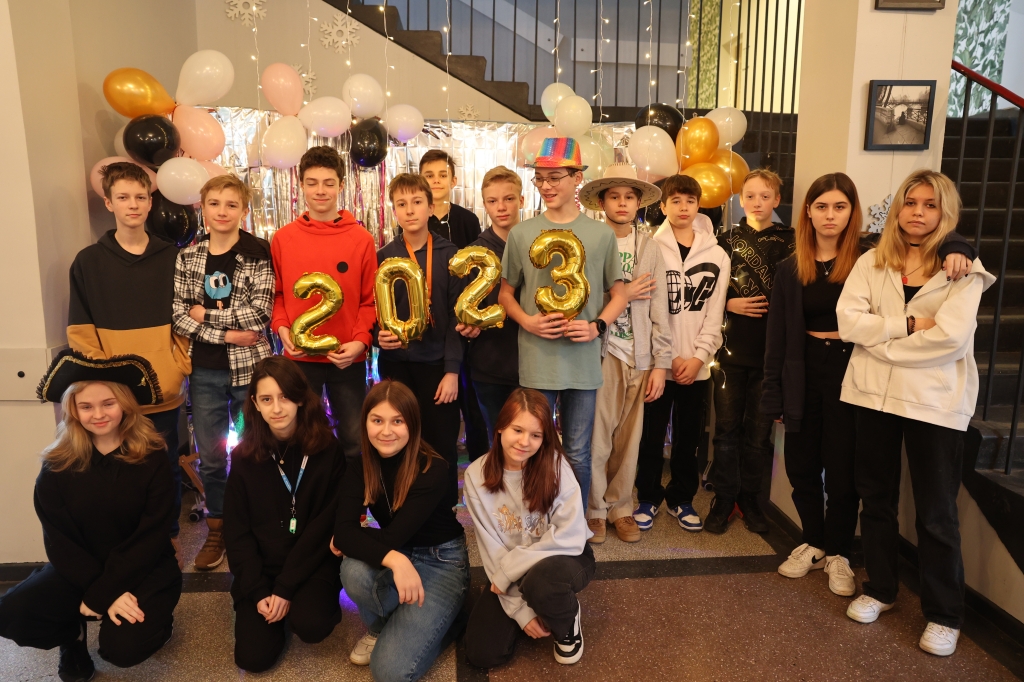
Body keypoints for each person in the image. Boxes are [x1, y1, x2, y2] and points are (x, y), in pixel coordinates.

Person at [761, 173, 975, 597]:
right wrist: (774, 392)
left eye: (840, 207)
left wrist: (959, 246)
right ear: (807, 212)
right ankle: (814, 541)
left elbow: (934, 239)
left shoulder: (870, 257)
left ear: (852, 213)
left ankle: (839, 551)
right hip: (804, 369)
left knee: (844, 471)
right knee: (801, 465)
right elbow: (778, 334)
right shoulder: (791, 267)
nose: (830, 215)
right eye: (822, 206)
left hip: (854, 368)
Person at [837, 170, 993, 657]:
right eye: (910, 202)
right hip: (872, 396)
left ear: (945, 212)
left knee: (936, 512)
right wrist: (907, 326)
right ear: (898, 209)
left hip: (933, 402)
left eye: (929, 204)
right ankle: (881, 589)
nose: (918, 212)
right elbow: (848, 322)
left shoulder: (964, 270)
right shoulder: (871, 261)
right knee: (875, 499)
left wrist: (881, 340)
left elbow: (950, 338)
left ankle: (945, 615)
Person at [0, 352, 181, 681]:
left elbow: (151, 535)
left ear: (124, 403)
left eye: (108, 403)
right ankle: (72, 636)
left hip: (144, 566)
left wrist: (102, 594)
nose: (98, 414)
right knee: (12, 613)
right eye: (86, 406)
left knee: (122, 649)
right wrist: (100, 592)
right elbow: (59, 540)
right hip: (79, 568)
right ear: (73, 410)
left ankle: (161, 623)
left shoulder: (152, 456)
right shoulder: (57, 465)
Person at [68, 161, 192, 560]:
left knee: (164, 465)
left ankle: (167, 536)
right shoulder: (88, 262)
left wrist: (176, 366)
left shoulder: (173, 258)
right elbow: (80, 331)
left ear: (151, 201)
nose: (133, 205)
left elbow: (186, 323)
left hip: (163, 389)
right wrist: (105, 381)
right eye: (123, 197)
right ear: (109, 203)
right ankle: (123, 541)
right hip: (112, 395)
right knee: (116, 468)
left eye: (140, 197)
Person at [498, 138, 628, 507]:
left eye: (554, 177)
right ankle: (534, 519)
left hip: (583, 363)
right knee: (531, 448)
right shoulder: (522, 233)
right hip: (537, 360)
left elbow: (618, 294)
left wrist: (596, 326)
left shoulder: (601, 234)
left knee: (578, 452)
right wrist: (528, 322)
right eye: (540, 178)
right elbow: (505, 294)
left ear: (577, 178)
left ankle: (575, 525)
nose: (546, 186)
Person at [332, 380, 469, 681]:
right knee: (352, 569)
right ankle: (383, 627)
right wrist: (395, 559)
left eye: (397, 421)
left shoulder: (433, 468)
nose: (386, 431)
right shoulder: (359, 466)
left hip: (441, 561)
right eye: (377, 420)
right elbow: (344, 532)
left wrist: (354, 536)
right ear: (365, 422)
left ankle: (450, 621)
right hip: (398, 551)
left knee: (389, 672)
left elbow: (367, 535)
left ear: (413, 424)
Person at [172, 174, 274, 570]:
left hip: (251, 372)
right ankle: (218, 525)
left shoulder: (257, 253)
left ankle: (258, 522)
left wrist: (207, 315)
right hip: (205, 373)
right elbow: (180, 316)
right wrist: (229, 333)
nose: (222, 211)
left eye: (232, 205)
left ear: (244, 210)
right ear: (202, 208)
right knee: (213, 458)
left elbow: (259, 314)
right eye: (214, 203)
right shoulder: (188, 258)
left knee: (257, 450)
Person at [223, 356, 345, 673]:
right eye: (267, 399)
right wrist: (258, 590)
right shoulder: (243, 458)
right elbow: (236, 533)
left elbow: (325, 525)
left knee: (312, 625)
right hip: (262, 567)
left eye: (285, 397)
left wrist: (286, 587)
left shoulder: (327, 449)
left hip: (311, 562)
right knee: (252, 659)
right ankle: (274, 610)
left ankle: (297, 605)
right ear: (255, 404)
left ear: (301, 398)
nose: (277, 408)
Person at [463, 388, 595, 668]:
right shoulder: (475, 475)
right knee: (482, 653)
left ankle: (567, 619)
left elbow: (571, 536)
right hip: (511, 569)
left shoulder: (556, 466)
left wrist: (509, 572)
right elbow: (491, 549)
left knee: (541, 584)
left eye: (536, 435)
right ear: (500, 427)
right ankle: (538, 603)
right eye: (517, 430)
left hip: (565, 556)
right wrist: (520, 612)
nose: (525, 442)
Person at [574, 163, 670, 544]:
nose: (622, 203)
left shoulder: (649, 247)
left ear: (639, 203)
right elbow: (581, 297)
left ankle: (621, 506)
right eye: (614, 196)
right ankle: (594, 509)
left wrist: (660, 363)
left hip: (639, 356)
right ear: (602, 202)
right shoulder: (591, 241)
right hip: (604, 351)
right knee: (598, 438)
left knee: (631, 440)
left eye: (629, 197)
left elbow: (660, 308)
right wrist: (622, 294)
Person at [633, 174, 731, 534]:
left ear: (699, 205)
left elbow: (715, 313)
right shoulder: (650, 248)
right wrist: (668, 356)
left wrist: (699, 357)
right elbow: (646, 308)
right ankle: (647, 497)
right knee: (651, 436)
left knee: (689, 439)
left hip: (696, 366)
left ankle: (681, 499)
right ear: (662, 206)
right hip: (658, 365)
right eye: (675, 200)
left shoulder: (717, 255)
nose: (683, 207)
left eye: (690, 200)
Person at [271, 145, 378, 460]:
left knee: (354, 441)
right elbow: (277, 295)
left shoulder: (361, 240)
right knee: (299, 439)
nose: (321, 190)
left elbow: (370, 301)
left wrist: (360, 342)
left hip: (347, 359)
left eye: (329, 183)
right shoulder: (283, 239)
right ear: (301, 185)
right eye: (313, 182)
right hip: (300, 359)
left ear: (341, 186)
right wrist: (282, 329)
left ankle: (353, 493)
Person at [706, 169, 795, 535]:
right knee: (726, 430)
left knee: (758, 436)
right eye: (751, 196)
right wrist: (729, 303)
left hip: (770, 356)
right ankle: (724, 497)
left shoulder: (792, 242)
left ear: (777, 200)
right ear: (740, 200)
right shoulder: (723, 240)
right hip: (729, 352)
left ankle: (751, 499)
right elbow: (706, 290)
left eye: (765, 196)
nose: (757, 202)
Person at [374, 173, 465, 505]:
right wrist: (377, 337)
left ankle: (444, 511)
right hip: (396, 367)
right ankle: (402, 506)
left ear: (430, 207)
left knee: (441, 443)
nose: (410, 210)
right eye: (402, 204)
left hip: (438, 368)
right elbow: (372, 311)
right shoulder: (384, 256)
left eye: (417, 202)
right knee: (398, 440)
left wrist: (452, 371)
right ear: (394, 210)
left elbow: (457, 317)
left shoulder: (450, 254)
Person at [420, 149, 489, 462]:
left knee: (474, 406)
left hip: (466, 322)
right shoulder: (416, 217)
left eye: (442, 175)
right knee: (437, 408)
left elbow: (478, 269)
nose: (436, 181)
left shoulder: (467, 220)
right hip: (433, 325)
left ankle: (479, 467)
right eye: (429, 176)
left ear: (454, 180)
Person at [456, 166, 523, 446]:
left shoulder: (537, 245)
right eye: (493, 201)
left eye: (509, 199)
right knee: (498, 444)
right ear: (484, 204)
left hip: (532, 365)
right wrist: (466, 327)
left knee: (530, 445)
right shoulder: (474, 253)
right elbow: (461, 310)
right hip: (489, 367)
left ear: (521, 200)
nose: (501, 207)